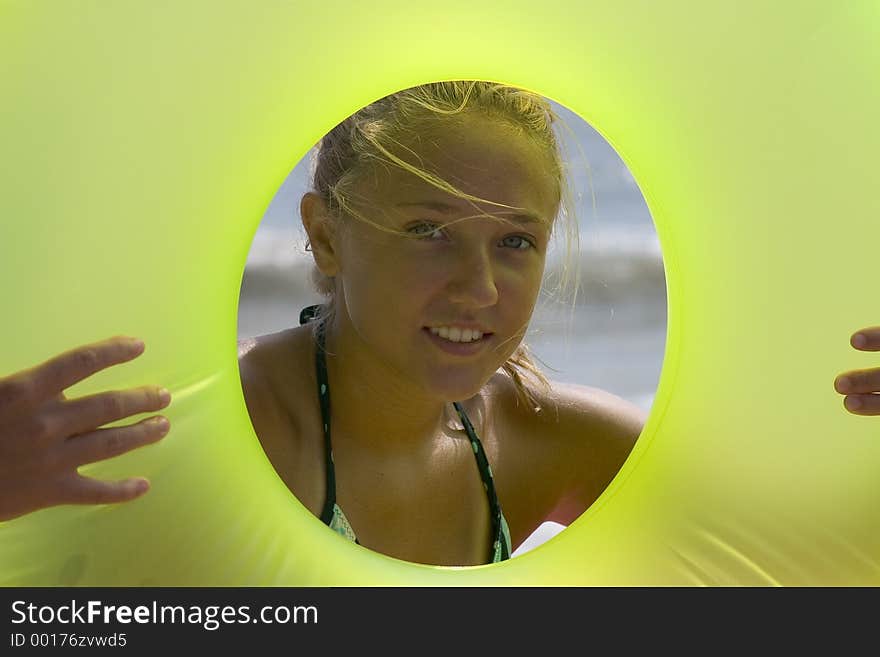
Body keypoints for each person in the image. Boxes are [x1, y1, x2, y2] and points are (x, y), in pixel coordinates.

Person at [1, 81, 873, 566]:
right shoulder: (201, 429)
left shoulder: (546, 440)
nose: (480, 287)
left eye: (516, 242)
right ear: (324, 237)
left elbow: (802, 548)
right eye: (429, 232)